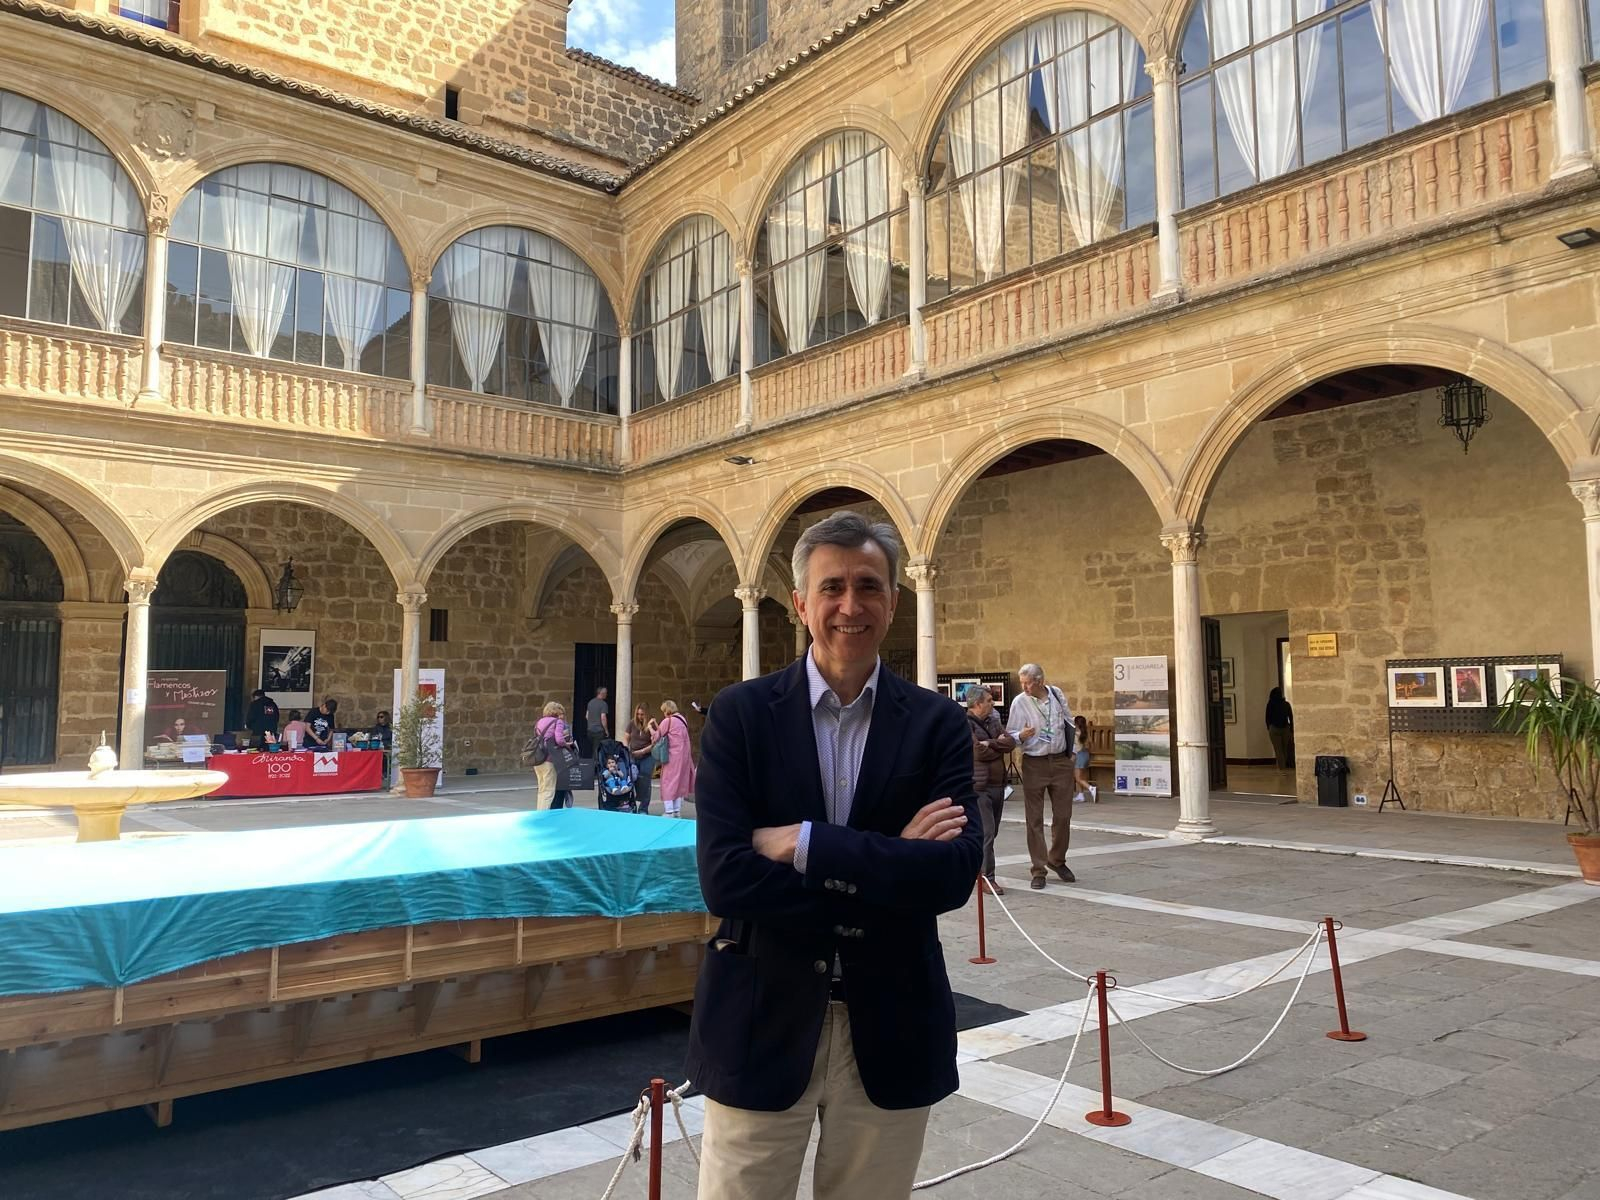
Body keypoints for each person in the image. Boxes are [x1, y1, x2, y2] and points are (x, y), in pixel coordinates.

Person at [687, 511, 980, 1200]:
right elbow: (725, 880)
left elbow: (952, 874)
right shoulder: (741, 716)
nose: (851, 606)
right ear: (799, 604)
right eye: (833, 587)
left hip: (893, 1024)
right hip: (762, 1021)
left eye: (869, 586)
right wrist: (889, 864)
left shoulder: (936, 724)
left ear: (894, 600)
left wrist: (805, 844)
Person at [1005, 663, 1077, 888]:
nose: (1024, 687)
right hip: (1034, 763)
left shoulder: (1056, 694)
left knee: (1063, 815)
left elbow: (1069, 720)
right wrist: (1021, 735)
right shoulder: (1020, 702)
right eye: (1022, 683)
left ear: (1040, 681)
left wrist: (1072, 752)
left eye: (1028, 682)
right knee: (1034, 818)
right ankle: (1038, 869)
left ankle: (1056, 859)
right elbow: (1010, 735)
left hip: (1060, 762)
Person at [965, 683, 1015, 897]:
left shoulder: (993, 721)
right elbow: (978, 752)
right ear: (977, 704)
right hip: (979, 786)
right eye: (988, 700)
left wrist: (990, 743)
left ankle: (975, 869)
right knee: (986, 832)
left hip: (997, 784)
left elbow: (1011, 743)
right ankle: (987, 878)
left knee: (992, 832)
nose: (992, 703)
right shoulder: (964, 723)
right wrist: (998, 745)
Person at [651, 699, 694, 818]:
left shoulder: (668, 721)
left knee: (668, 782)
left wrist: (650, 727)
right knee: (679, 783)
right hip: (684, 756)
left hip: (672, 757)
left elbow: (656, 736)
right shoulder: (682, 719)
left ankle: (669, 811)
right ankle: (677, 810)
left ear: (666, 710)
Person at [533, 700, 577, 811]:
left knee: (542, 789)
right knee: (549, 790)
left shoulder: (540, 722)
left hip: (538, 759)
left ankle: (540, 811)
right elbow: (559, 740)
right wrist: (567, 745)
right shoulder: (557, 722)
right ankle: (545, 815)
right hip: (549, 759)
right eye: (561, 712)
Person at [626, 704, 656, 814]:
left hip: (647, 756)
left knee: (645, 780)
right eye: (638, 714)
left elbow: (655, 742)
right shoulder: (632, 723)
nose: (640, 716)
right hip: (633, 754)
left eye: (642, 714)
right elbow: (626, 735)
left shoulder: (651, 724)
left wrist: (643, 751)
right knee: (632, 778)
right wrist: (626, 748)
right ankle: (631, 805)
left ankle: (643, 808)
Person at [1266, 687, 1295, 770]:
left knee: (1278, 750)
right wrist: (1291, 729)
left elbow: (1267, 717)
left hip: (1274, 729)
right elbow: (1291, 717)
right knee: (1284, 749)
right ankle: (1283, 766)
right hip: (1285, 728)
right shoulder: (1286, 704)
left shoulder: (1270, 704)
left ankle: (1281, 768)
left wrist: (1269, 727)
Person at [1072, 713, 1096, 804]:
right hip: (1085, 755)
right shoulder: (1085, 733)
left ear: (1076, 724)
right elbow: (1090, 745)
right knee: (1081, 776)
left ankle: (1091, 788)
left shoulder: (1075, 733)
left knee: (1077, 778)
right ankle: (1080, 795)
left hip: (1078, 756)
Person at [585, 686, 610, 759]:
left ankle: (590, 765)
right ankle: (595, 767)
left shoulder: (590, 702)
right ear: (602, 693)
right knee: (597, 750)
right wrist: (606, 730)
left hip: (589, 730)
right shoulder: (603, 704)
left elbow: (587, 716)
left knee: (592, 749)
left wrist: (591, 723)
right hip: (599, 731)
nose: (606, 694)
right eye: (605, 693)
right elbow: (603, 717)